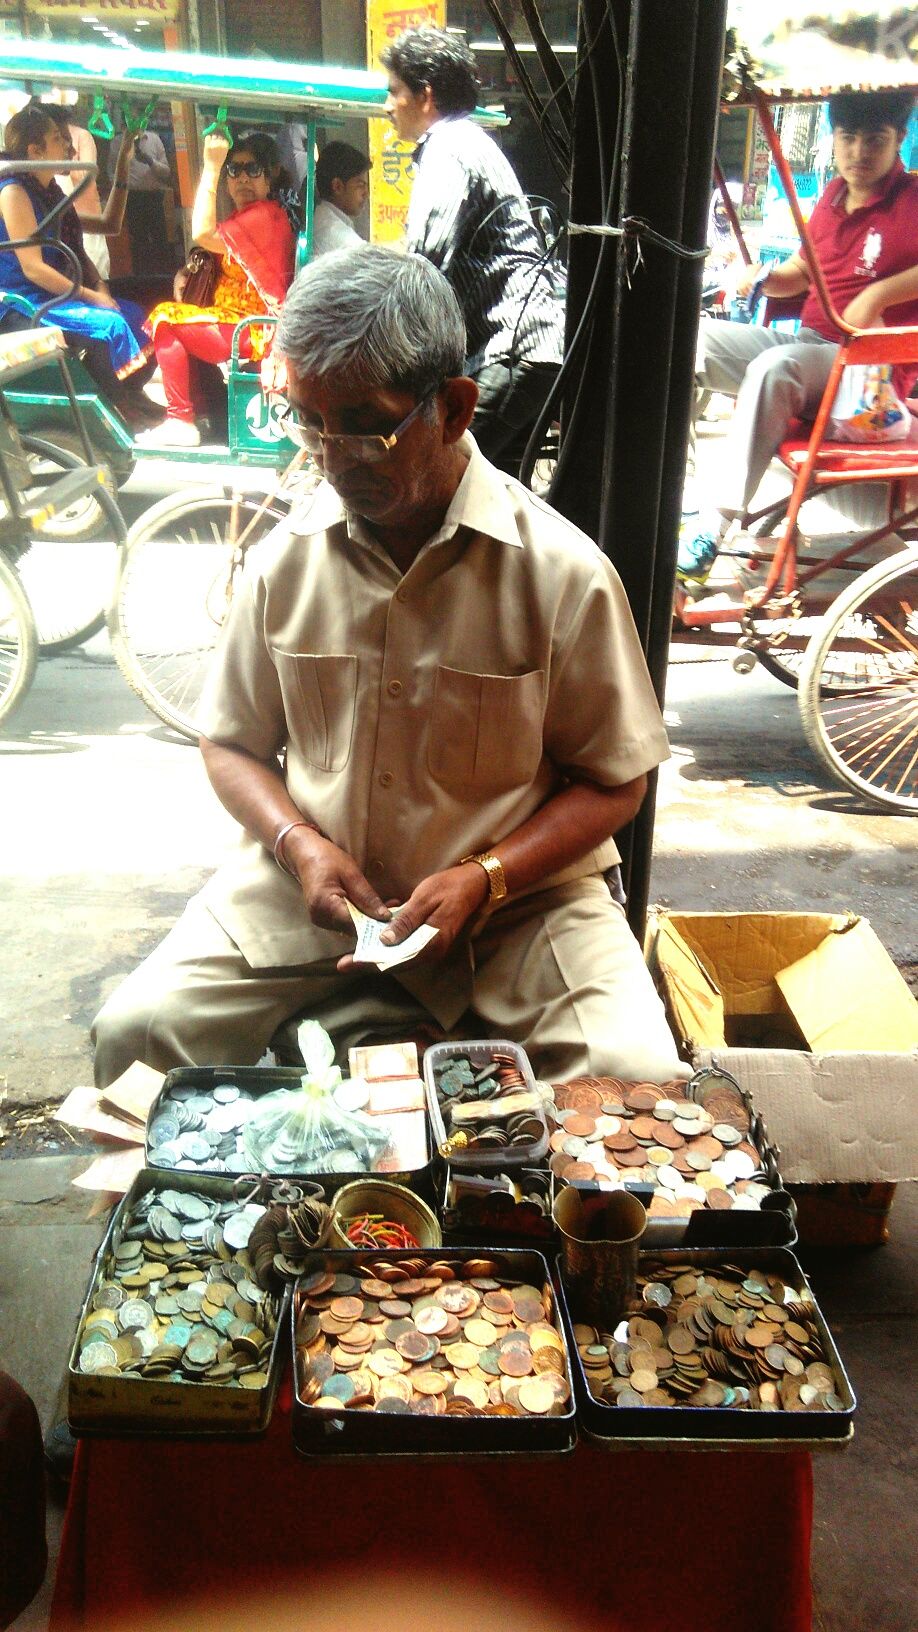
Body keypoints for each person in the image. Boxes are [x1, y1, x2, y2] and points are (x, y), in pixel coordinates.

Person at [92, 246, 685, 1091]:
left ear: (452, 408)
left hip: (522, 908)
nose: (335, 456)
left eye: (366, 423)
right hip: (318, 899)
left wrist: (486, 876)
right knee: (135, 1033)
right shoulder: (285, 561)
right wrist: (297, 844)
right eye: (309, 420)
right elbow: (230, 746)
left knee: (635, 1075)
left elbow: (615, 783)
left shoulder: (561, 574)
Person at [679, 89, 918, 583]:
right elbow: (800, 273)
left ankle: (715, 525)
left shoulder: (913, 199)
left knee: (775, 366)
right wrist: (759, 275)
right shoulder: (831, 198)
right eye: (848, 138)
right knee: (685, 340)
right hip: (810, 348)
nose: (859, 153)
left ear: (899, 140)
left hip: (866, 375)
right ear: (834, 139)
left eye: (875, 140)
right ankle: (677, 499)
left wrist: (879, 296)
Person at [381, 25, 563, 478]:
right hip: (512, 349)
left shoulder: (450, 147)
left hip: (512, 347)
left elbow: (423, 263)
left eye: (394, 91)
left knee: (433, 474)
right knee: (485, 497)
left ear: (424, 95)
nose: (386, 106)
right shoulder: (461, 143)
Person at [137, 130, 295, 449]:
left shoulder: (265, 214)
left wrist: (211, 167)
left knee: (165, 318)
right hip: (240, 321)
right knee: (177, 315)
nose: (243, 179)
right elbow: (215, 248)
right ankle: (201, 412)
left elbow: (203, 233)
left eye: (253, 170)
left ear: (268, 180)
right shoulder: (253, 215)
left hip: (253, 329)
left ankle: (181, 419)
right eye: (233, 170)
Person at [0, 105, 154, 421]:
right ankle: (113, 407)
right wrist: (93, 296)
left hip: (58, 292)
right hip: (26, 302)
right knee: (105, 326)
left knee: (139, 316)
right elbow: (33, 268)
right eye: (58, 139)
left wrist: (123, 158)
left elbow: (104, 227)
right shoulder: (14, 191)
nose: (68, 147)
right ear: (36, 151)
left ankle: (130, 394)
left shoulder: (50, 191)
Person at [112, 123, 175, 275]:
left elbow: (166, 172)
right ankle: (141, 279)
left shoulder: (154, 139)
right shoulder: (117, 142)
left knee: (160, 240)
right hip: (131, 198)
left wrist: (149, 161)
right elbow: (111, 172)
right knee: (138, 242)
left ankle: (164, 278)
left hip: (153, 196)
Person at [312, 141, 370, 257]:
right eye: (360, 185)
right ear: (337, 186)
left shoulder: (323, 217)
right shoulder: (332, 231)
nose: (366, 193)